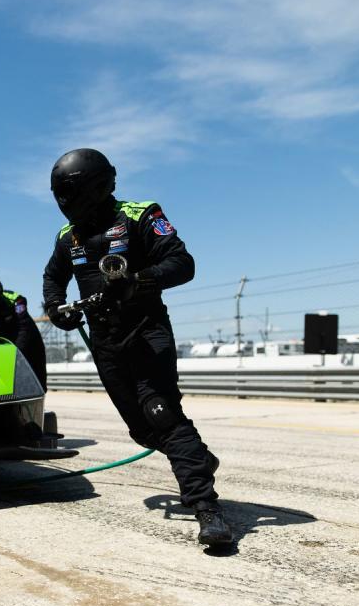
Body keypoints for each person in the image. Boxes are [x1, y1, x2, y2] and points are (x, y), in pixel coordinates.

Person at [42, 148, 232, 546]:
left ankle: (206, 508)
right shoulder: (67, 237)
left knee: (162, 414)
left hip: (147, 332)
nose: (62, 202)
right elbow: (53, 279)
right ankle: (198, 459)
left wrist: (138, 282)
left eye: (68, 192)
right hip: (104, 342)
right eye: (58, 193)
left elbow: (182, 263)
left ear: (96, 186)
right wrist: (56, 308)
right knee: (142, 432)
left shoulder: (141, 214)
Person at [0, 272, 48, 391]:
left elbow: (24, 327)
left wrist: (16, 351)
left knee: (39, 381)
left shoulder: (16, 300)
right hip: (6, 345)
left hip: (31, 340)